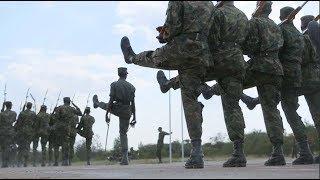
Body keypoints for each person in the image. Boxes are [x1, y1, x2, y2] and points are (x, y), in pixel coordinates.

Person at [93, 67, 136, 165]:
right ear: (126, 75)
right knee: (123, 133)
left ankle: (96, 103)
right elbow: (133, 103)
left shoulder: (114, 84)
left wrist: (107, 114)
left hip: (118, 107)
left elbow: (111, 100)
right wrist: (134, 117)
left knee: (104, 105)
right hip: (127, 110)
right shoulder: (132, 87)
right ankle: (125, 158)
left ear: (118, 74)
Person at [54, 97, 82, 166]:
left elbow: (56, 117)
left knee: (60, 144)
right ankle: (66, 160)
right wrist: (75, 105)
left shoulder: (60, 108)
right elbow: (80, 113)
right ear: (69, 101)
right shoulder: (72, 108)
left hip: (60, 127)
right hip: (68, 127)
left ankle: (61, 160)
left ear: (63, 101)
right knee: (67, 144)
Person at [15, 102, 36, 167]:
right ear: (31, 106)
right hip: (29, 132)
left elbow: (18, 123)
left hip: (22, 131)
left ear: (26, 106)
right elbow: (35, 123)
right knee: (27, 146)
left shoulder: (22, 113)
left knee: (21, 146)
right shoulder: (33, 113)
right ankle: (25, 162)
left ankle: (19, 162)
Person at [0, 101, 17, 168]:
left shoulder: (2, 114)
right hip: (10, 131)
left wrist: (2, 109)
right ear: (11, 106)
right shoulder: (14, 113)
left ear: (5, 105)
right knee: (7, 147)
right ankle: (6, 162)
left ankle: (3, 162)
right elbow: (13, 120)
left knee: (3, 147)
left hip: (2, 131)